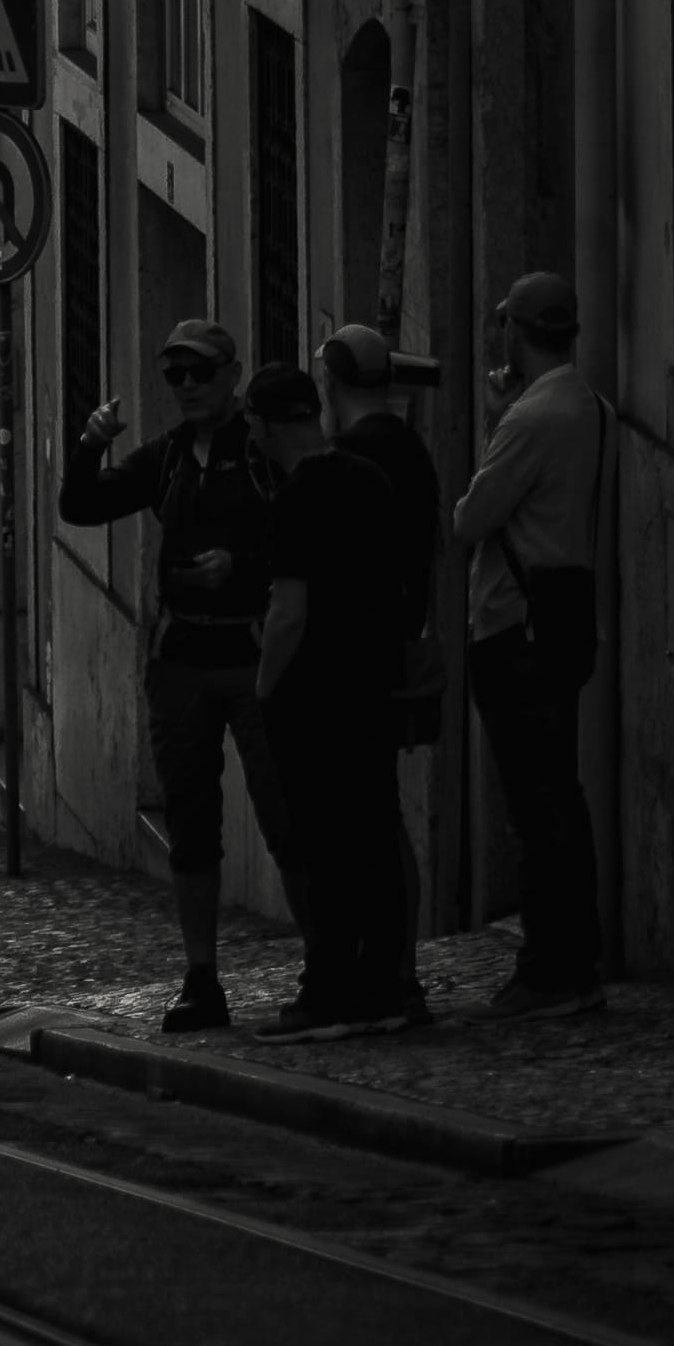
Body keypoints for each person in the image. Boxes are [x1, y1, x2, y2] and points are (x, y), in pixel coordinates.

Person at [61, 319, 294, 1028]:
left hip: (254, 660)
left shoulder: (263, 456)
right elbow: (82, 506)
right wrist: (90, 444)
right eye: (175, 375)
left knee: (285, 817)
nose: (187, 386)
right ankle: (201, 978)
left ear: (232, 377)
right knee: (191, 828)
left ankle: (326, 964)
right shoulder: (163, 459)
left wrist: (243, 569)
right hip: (181, 663)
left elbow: (306, 537)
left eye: (200, 373)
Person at [253, 322, 442, 1031]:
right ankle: (390, 984)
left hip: (320, 688)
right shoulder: (398, 464)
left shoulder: (319, 479)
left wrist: (267, 687)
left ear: (330, 388)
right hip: (377, 671)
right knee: (374, 827)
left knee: (334, 841)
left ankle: (342, 987)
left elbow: (291, 609)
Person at [452, 270, 609, 1008]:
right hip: (564, 618)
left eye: (503, 325)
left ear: (517, 330)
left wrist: (494, 422)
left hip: (516, 625)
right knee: (559, 798)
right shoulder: (587, 406)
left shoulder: (529, 418)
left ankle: (553, 966)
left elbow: (470, 518)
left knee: (536, 804)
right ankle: (573, 957)